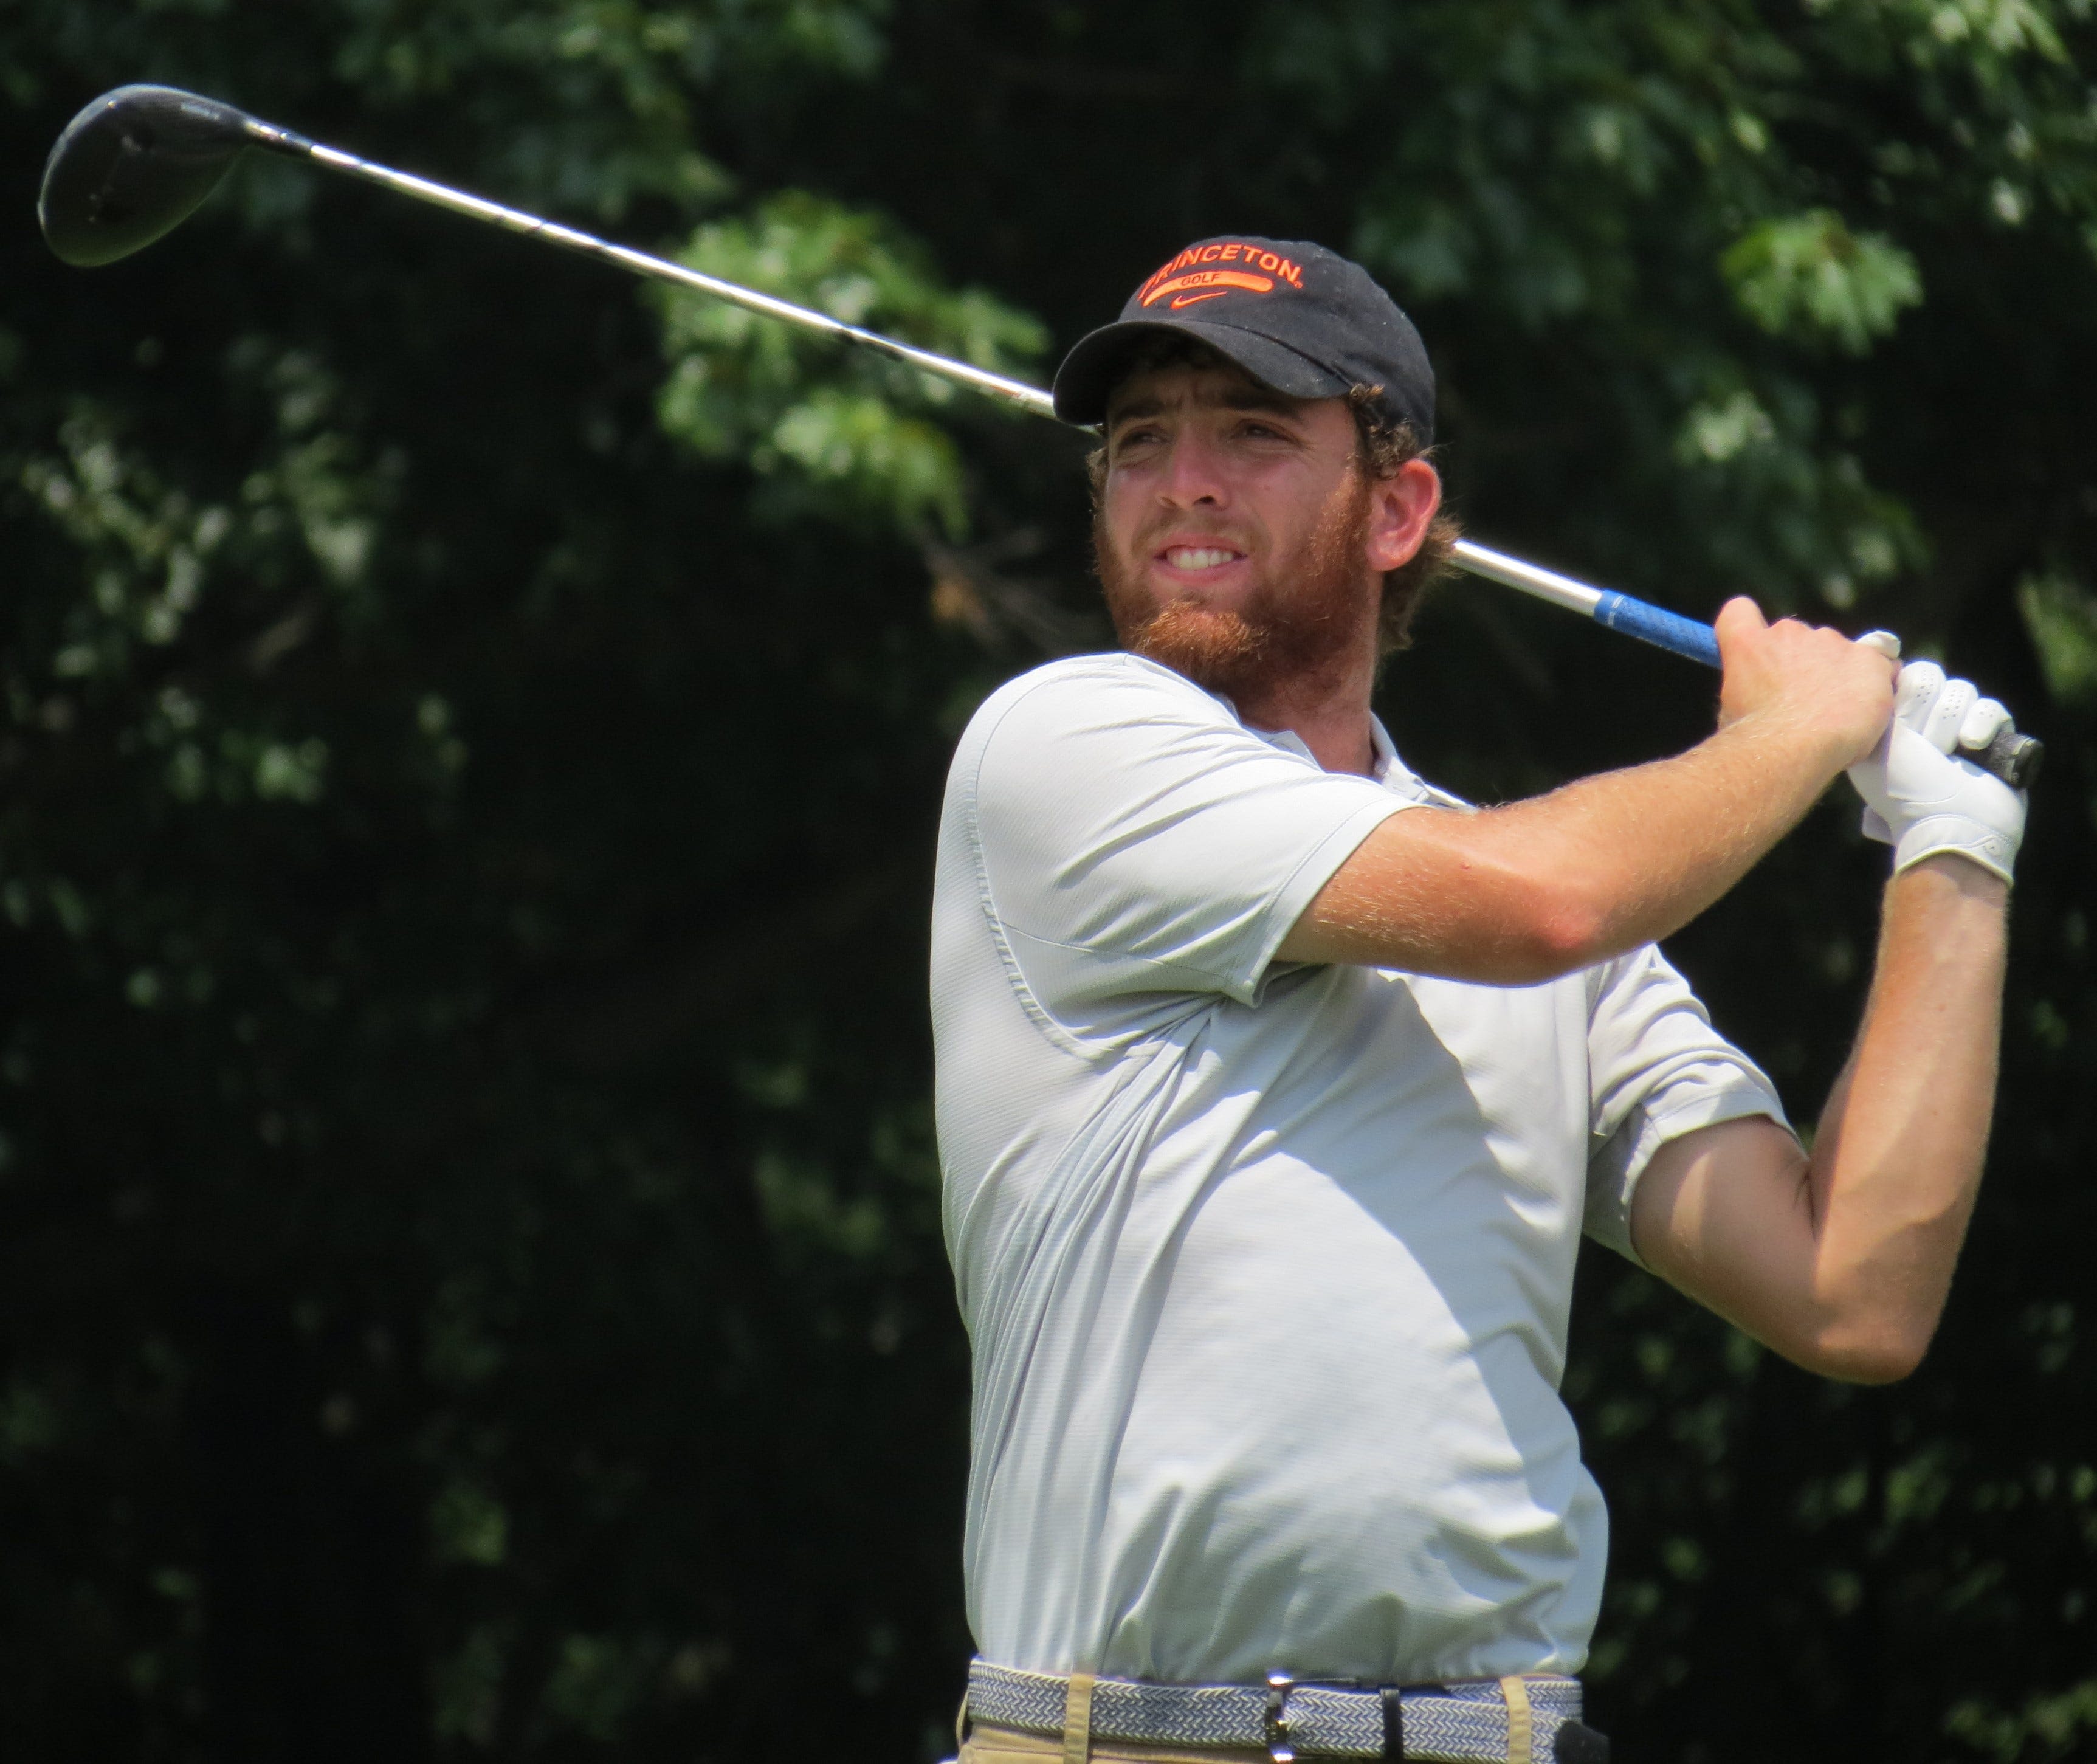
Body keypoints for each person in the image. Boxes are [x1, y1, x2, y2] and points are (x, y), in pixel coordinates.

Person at [929, 237, 2026, 1764]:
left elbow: (1853, 1290)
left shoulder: (1524, 901)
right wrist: (1810, 724)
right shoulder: (1064, 746)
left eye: (1251, 430)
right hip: (1128, 1736)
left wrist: (1951, 839)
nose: (1182, 478)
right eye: (1139, 439)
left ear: (1399, 509)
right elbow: (1541, 901)